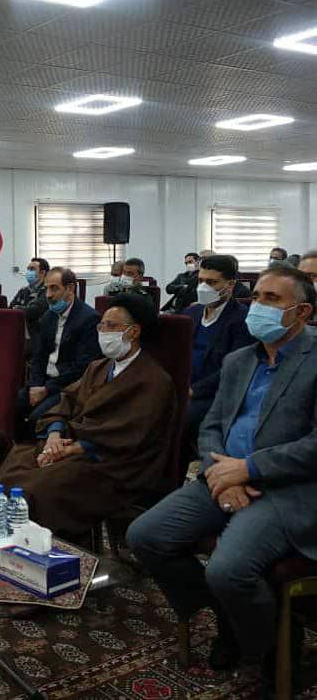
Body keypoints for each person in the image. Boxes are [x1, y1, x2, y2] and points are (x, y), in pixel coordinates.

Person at [126, 265, 317, 695]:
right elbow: (211, 426)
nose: (258, 306)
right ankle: (233, 619)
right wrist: (223, 475)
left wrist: (249, 469)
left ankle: (276, 651)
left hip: (287, 489)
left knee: (228, 570)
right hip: (221, 477)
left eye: (272, 299)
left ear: (302, 312)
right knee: (146, 536)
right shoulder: (239, 360)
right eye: (257, 297)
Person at [0, 294, 175, 538]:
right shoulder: (98, 367)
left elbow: (130, 434)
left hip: (115, 463)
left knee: (41, 486)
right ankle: (9, 536)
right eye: (101, 325)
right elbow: (66, 401)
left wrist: (70, 450)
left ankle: (49, 545)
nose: (103, 332)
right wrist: (54, 435)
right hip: (72, 444)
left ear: (133, 332)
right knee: (17, 461)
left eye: (111, 326)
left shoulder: (154, 379)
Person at [15, 267, 101, 439]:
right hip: (44, 381)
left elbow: (82, 368)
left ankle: (34, 451)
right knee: (10, 406)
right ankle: (16, 449)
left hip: (67, 386)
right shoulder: (49, 316)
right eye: (46, 288)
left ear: (70, 289)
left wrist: (46, 389)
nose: (48, 295)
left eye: (54, 288)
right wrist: (35, 385)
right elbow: (39, 356)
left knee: (37, 418)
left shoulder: (89, 319)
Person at [183, 255, 254, 442]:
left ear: (230, 285)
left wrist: (194, 390)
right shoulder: (191, 313)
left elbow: (234, 368)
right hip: (183, 386)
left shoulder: (242, 319)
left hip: (215, 393)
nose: (203, 287)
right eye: (201, 281)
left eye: (212, 282)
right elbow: (176, 355)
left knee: (182, 418)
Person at [10, 257, 49, 341]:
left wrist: (17, 308)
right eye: (28, 269)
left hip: (38, 335)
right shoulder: (23, 290)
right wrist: (19, 309)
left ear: (42, 273)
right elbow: (10, 307)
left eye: (32, 269)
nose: (28, 272)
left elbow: (33, 311)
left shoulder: (47, 291)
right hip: (20, 332)